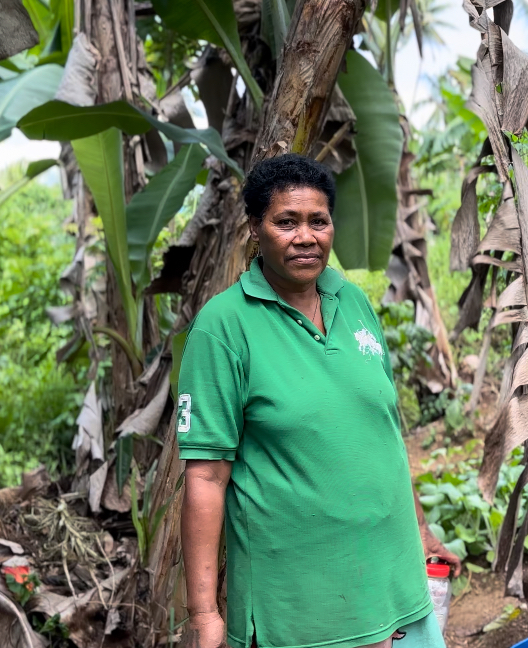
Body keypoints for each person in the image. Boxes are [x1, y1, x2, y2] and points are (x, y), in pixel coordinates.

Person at [177, 154, 461, 648]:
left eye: (318, 221)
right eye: (286, 221)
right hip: (301, 610)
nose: (305, 236)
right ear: (255, 229)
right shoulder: (224, 328)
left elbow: (382, 431)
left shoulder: (351, 301)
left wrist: (421, 529)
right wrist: (204, 613)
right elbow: (205, 476)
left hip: (395, 584)